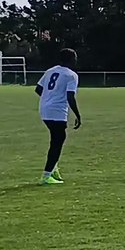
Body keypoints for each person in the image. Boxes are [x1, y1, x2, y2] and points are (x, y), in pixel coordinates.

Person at [35, 48, 82, 185]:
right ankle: (46, 175)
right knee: (57, 141)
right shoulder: (71, 75)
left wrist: (49, 98)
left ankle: (54, 169)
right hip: (57, 111)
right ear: (71, 59)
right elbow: (70, 96)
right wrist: (78, 115)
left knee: (55, 139)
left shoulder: (50, 71)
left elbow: (38, 89)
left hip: (44, 109)